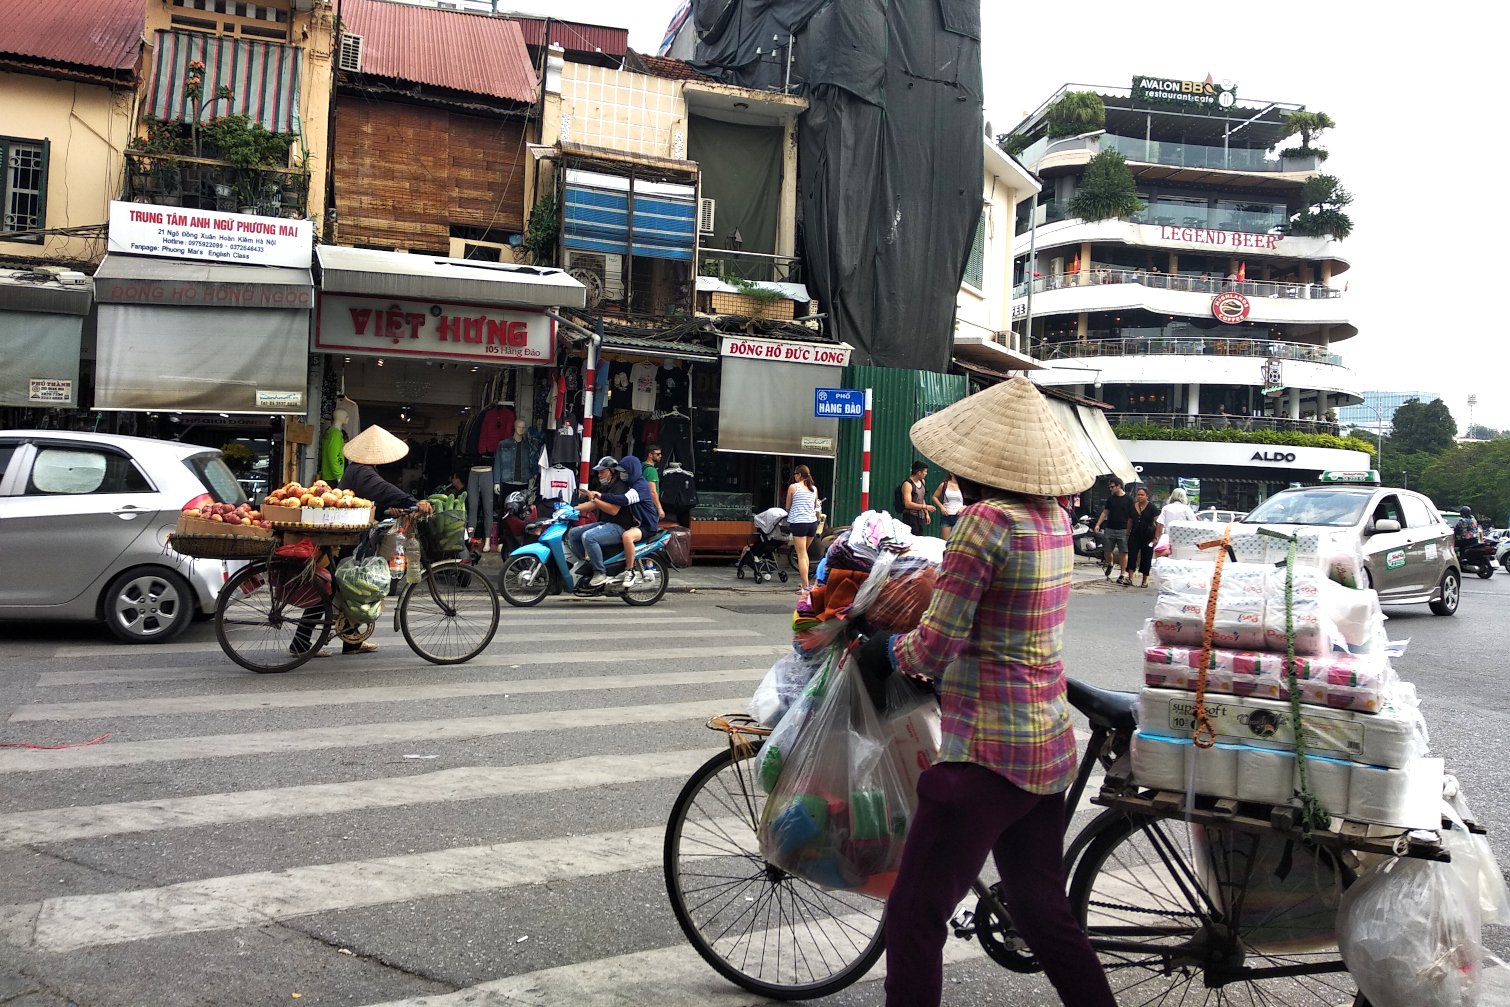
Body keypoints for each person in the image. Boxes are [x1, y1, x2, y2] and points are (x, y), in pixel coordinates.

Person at [854, 376, 1116, 1007]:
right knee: (1042, 913)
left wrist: (882, 650)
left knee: (914, 916)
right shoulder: (1053, 519)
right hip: (1046, 746)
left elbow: (933, 647)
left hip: (986, 755)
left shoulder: (984, 521)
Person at [290, 425, 434, 658]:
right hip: (343, 538)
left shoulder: (360, 470)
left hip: (347, 536)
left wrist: (390, 510)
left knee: (342, 588)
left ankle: (350, 641)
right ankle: (302, 642)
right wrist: (413, 501)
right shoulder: (362, 471)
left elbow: (372, 499)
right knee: (334, 588)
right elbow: (383, 490)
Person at [589, 454, 659, 587]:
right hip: (638, 524)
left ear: (632, 471)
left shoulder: (640, 486)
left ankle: (630, 571)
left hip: (647, 525)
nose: (622, 474)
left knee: (627, 536)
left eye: (625, 472)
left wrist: (601, 496)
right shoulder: (631, 484)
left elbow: (623, 500)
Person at [566, 457, 633, 585]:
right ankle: (588, 565)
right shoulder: (606, 486)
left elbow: (613, 510)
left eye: (602, 471)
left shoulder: (620, 486)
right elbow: (594, 504)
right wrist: (572, 509)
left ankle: (600, 572)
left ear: (612, 471)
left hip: (619, 527)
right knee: (573, 534)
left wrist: (594, 499)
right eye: (598, 472)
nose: (599, 475)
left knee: (589, 537)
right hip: (605, 524)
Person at [785, 464, 821, 591]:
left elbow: (788, 507)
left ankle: (805, 586)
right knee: (804, 553)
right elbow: (815, 506)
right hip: (812, 524)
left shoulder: (793, 487)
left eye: (795, 474)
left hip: (799, 523)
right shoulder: (814, 489)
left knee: (801, 555)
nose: (794, 476)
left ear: (799, 475)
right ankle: (805, 584)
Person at [1093, 477, 1133, 585]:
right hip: (1110, 527)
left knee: (1123, 552)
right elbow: (1105, 512)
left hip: (1123, 529)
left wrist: (1129, 530)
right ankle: (1110, 563)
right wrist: (1098, 524)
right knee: (1107, 550)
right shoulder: (1110, 499)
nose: (1111, 489)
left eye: (1112, 487)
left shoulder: (1129, 499)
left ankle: (1122, 574)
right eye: (1110, 487)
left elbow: (1131, 516)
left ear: (1119, 486)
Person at [1127, 486, 1161, 588]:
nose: (1140, 497)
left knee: (1146, 557)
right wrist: (1127, 533)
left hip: (1148, 536)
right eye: (1138, 495)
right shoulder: (1133, 506)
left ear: (1147, 496)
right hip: (1134, 534)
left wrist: (1156, 537)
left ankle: (1144, 580)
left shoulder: (1152, 508)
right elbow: (1130, 521)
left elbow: (1158, 523)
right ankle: (1130, 578)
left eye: (1142, 495)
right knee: (1132, 555)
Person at [898, 461, 935, 535]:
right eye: (925, 471)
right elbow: (908, 504)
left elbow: (921, 498)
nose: (926, 473)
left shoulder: (922, 482)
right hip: (910, 516)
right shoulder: (908, 484)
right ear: (919, 472)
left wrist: (926, 513)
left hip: (920, 516)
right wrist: (925, 507)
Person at [931, 471, 965, 540]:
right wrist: (941, 507)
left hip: (959, 515)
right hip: (946, 515)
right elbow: (934, 497)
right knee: (945, 541)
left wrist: (964, 507)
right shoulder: (944, 484)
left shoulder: (964, 486)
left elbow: (971, 500)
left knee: (957, 540)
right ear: (951, 473)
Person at [641, 442, 666, 523]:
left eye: (660, 454)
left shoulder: (642, 465)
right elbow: (652, 491)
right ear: (650, 455)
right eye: (658, 454)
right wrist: (659, 508)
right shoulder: (651, 470)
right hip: (650, 505)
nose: (660, 456)